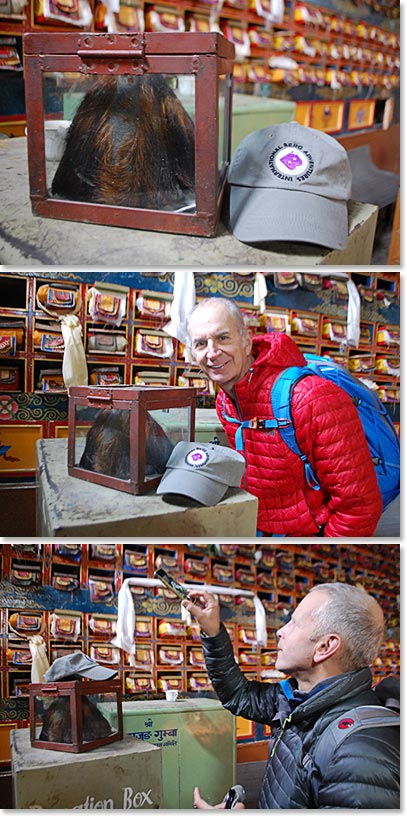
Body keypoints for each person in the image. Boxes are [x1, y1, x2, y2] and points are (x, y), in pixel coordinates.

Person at [182, 583, 400, 809]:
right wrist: (213, 631)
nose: (280, 631)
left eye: (295, 623)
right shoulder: (298, 701)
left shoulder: (361, 755)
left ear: (325, 646)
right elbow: (240, 695)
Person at [186, 297, 382, 536]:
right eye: (200, 344)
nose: (212, 353)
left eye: (223, 338)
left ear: (247, 341)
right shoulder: (226, 403)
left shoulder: (311, 397)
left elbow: (359, 508)